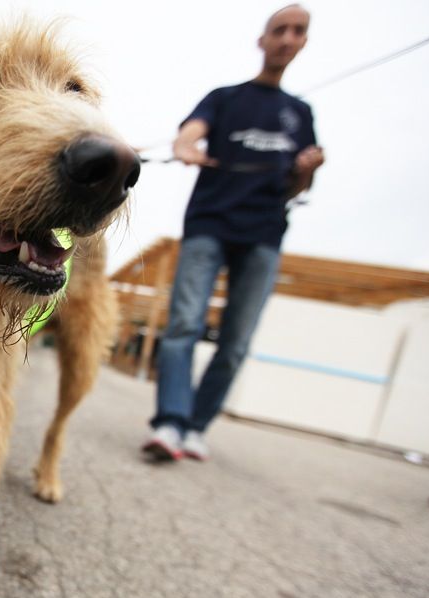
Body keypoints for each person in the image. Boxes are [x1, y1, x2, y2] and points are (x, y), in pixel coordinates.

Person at [143, 4, 325, 462]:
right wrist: (186, 145)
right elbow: (191, 132)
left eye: (297, 32)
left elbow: (297, 186)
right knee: (184, 324)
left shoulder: (300, 113)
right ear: (262, 40)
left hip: (264, 233)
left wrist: (306, 171)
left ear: (304, 43)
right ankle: (170, 421)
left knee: (236, 341)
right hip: (210, 223)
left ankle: (196, 426)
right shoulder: (224, 98)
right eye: (279, 30)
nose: (287, 38)